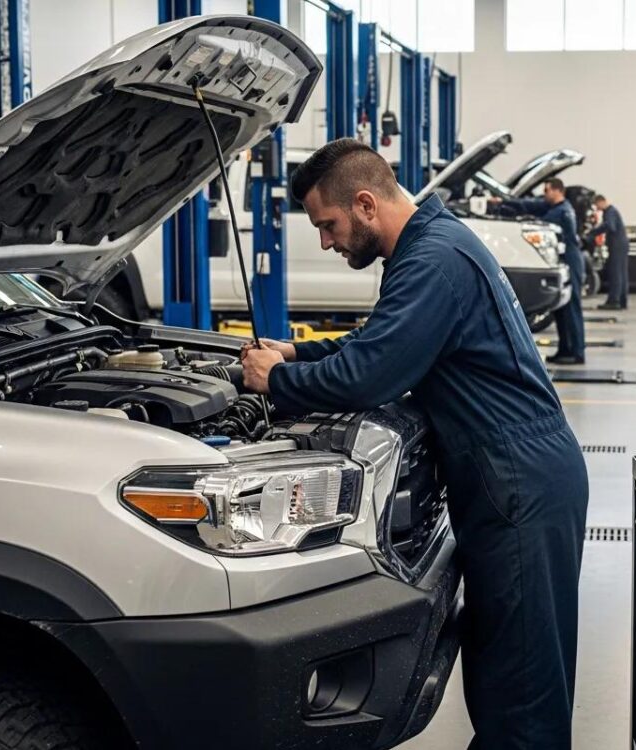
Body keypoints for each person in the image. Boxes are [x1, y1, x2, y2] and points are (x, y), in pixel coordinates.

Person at [239, 139, 589, 750]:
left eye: (329, 224)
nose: (326, 241)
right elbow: (378, 342)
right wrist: (297, 352)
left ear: (367, 204)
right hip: (510, 478)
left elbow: (370, 375)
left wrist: (279, 383)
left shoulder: (433, 262)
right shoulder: (429, 246)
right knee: (502, 669)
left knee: (523, 692)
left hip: (519, 483)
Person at [493, 179, 586, 365]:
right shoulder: (557, 207)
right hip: (564, 260)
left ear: (557, 190)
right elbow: (531, 205)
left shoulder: (561, 211)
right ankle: (564, 349)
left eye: (546, 190)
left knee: (571, 308)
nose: (544, 194)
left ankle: (577, 352)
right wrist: (504, 202)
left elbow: (541, 221)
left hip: (570, 261)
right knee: (561, 310)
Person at [589, 194, 629, 310]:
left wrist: (593, 232)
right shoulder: (613, 211)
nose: (596, 208)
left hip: (617, 244)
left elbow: (610, 226)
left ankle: (613, 301)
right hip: (621, 244)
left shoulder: (609, 212)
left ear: (601, 202)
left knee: (615, 272)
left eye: (596, 205)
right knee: (621, 273)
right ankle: (622, 301)